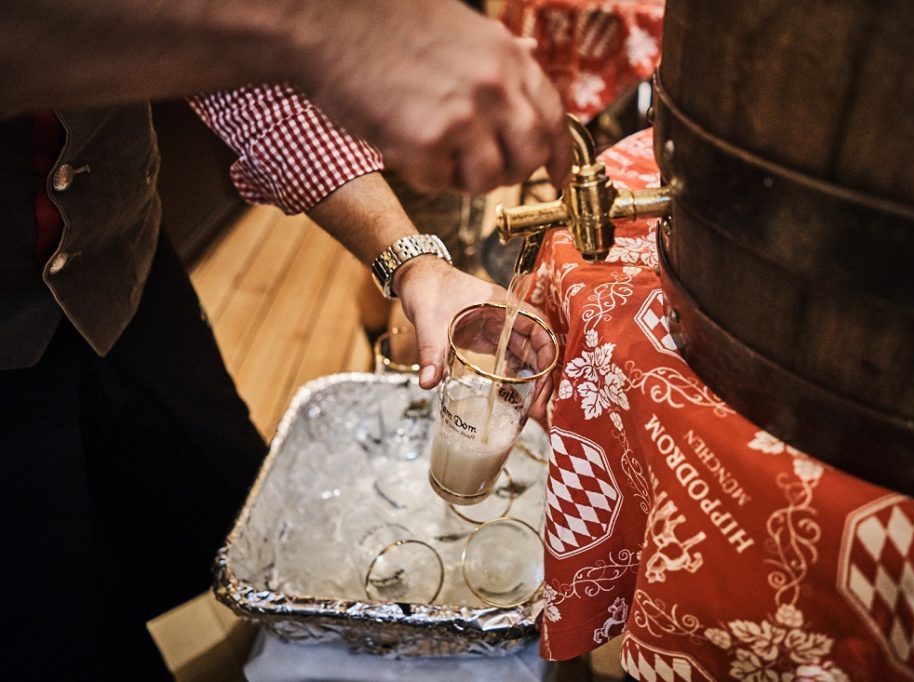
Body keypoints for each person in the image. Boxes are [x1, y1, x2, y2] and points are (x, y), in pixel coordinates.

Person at [1, 1, 568, 678]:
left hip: (118, 261)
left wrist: (415, 264)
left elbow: (246, 82)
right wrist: (325, 28)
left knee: (218, 496)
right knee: (50, 621)